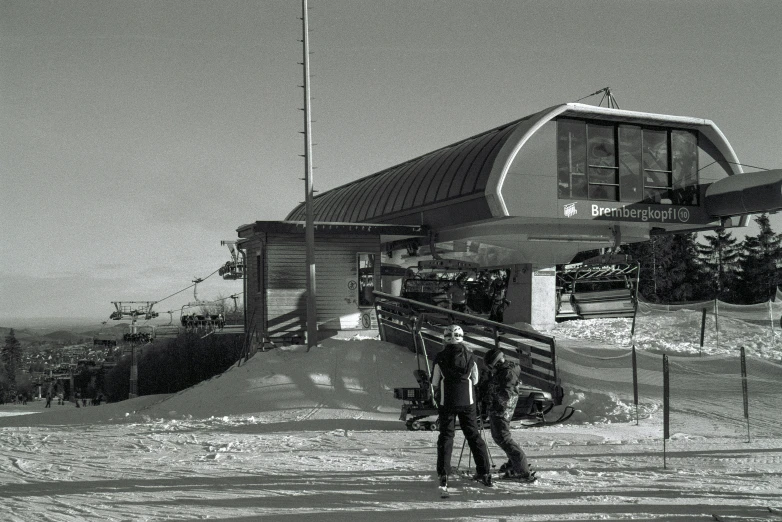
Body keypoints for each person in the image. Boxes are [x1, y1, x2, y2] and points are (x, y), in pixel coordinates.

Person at [431, 324, 493, 488]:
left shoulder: (440, 356)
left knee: (446, 436)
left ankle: (443, 473)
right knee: (473, 434)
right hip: (468, 400)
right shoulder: (471, 357)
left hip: (447, 400)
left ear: (445, 338)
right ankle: (484, 471)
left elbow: (435, 381)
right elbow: (476, 380)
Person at [482, 348, 534, 481]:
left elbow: (505, 394)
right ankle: (514, 463)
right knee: (500, 437)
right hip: (499, 410)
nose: (490, 370)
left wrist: (493, 404)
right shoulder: (503, 371)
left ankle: (522, 470)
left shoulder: (507, 374)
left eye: (490, 367)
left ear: (497, 363)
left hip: (501, 410)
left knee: (503, 438)